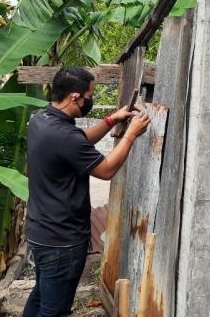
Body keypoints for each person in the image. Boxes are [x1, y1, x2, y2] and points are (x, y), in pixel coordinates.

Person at [23, 67, 150, 317]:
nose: (90, 100)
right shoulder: (64, 136)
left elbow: (78, 141)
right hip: (62, 241)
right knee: (54, 311)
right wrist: (131, 135)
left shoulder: (42, 120)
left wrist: (111, 120)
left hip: (41, 232)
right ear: (74, 96)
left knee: (41, 297)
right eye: (89, 96)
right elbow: (106, 170)